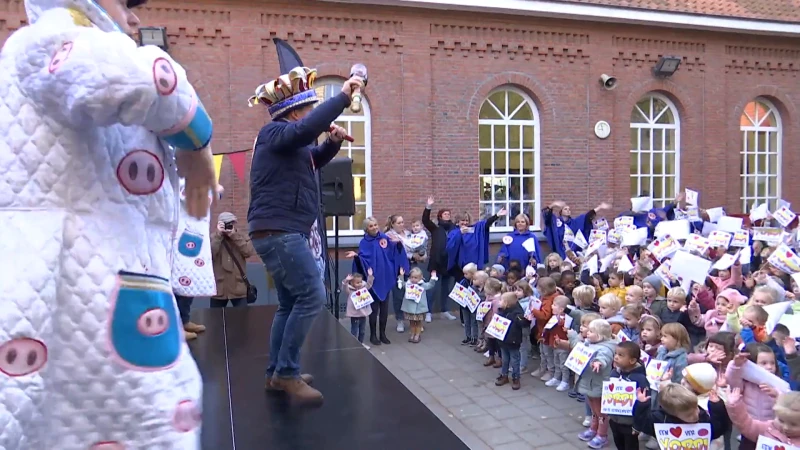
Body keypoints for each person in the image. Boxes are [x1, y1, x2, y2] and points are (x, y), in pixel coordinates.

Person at [0, 0, 216, 447]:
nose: (136, 18)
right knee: (148, 415)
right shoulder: (55, 39)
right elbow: (141, 81)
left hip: (88, 276)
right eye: (124, 4)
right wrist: (198, 142)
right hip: (84, 281)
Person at [247, 62, 362, 405]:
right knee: (312, 295)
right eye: (310, 109)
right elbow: (304, 133)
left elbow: (312, 157)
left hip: (279, 231)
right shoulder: (274, 133)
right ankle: (287, 372)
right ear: (295, 113)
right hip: (280, 232)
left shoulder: (291, 145)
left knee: (288, 303)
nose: (314, 114)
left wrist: (332, 143)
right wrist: (341, 97)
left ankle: (276, 373)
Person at [422, 196, 458, 322]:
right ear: (440, 216)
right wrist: (428, 206)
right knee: (432, 287)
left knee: (445, 288)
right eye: (445, 214)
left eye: (449, 214)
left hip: (449, 262)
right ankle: (428, 312)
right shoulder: (436, 228)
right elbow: (425, 221)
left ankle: (444, 310)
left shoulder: (455, 228)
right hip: (436, 262)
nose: (447, 215)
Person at [211, 211, 255, 308]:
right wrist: (218, 235)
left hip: (238, 287)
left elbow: (248, 252)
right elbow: (210, 255)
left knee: (242, 319)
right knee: (215, 319)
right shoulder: (213, 238)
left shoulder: (242, 237)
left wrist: (234, 236)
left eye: (230, 223)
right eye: (225, 223)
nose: (228, 226)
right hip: (219, 288)